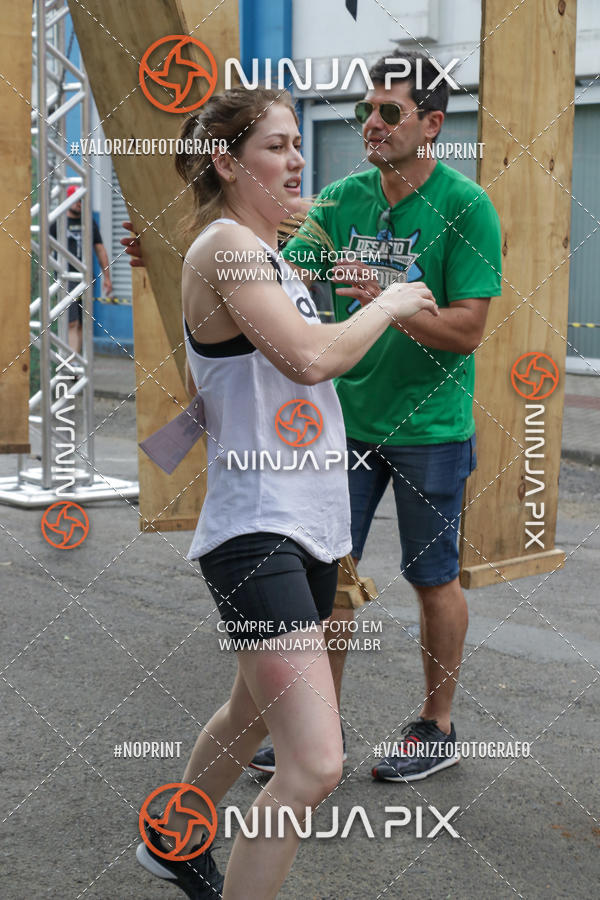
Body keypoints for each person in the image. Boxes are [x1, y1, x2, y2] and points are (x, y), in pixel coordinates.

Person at [133, 87, 438, 899]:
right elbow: (308, 359)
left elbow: (241, 381)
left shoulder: (264, 252)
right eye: (275, 145)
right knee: (313, 764)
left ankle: (172, 841)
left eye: (297, 142)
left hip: (307, 526)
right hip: (258, 533)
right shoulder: (226, 247)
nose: (297, 159)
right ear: (227, 162)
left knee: (252, 714)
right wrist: (393, 301)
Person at [249, 50, 502, 782]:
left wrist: (383, 300)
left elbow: (468, 330)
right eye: (366, 109)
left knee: (432, 578)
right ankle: (318, 728)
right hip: (346, 422)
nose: (372, 123)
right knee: (331, 578)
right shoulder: (341, 199)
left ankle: (436, 725)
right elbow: (277, 278)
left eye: (390, 111)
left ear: (432, 123)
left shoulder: (465, 206)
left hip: (429, 426)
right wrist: (191, 258)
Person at [50, 184, 112, 353]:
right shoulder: (58, 222)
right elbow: (46, 250)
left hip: (85, 278)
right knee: (71, 322)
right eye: (76, 200)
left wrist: (107, 277)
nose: (79, 204)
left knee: (82, 323)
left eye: (81, 200)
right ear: (67, 200)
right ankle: (72, 361)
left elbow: (100, 249)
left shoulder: (89, 222)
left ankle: (76, 360)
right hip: (66, 279)